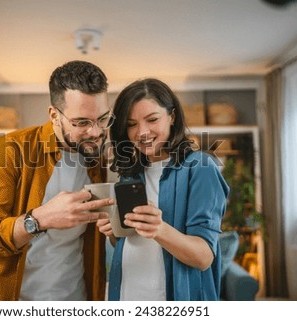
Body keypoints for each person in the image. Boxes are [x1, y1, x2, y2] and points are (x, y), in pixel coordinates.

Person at [0, 60, 116, 301]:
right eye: (82, 122)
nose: (96, 132)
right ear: (54, 115)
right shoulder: (9, 150)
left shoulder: (94, 156)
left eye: (103, 118)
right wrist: (39, 219)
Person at [98, 78, 229, 300]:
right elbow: (130, 242)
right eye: (131, 124)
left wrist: (159, 229)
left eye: (152, 119)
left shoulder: (200, 168)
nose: (142, 132)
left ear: (172, 116)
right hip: (126, 294)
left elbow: (204, 257)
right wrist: (114, 231)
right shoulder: (130, 173)